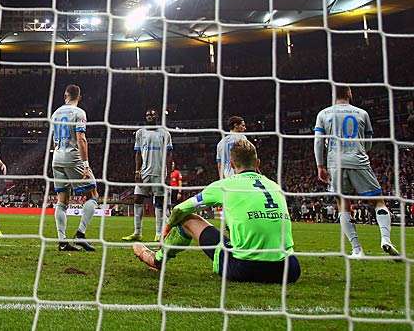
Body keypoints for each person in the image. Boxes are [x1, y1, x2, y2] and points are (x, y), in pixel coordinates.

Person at [133, 139, 300, 283]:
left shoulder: (225, 185)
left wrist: (168, 226)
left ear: (232, 164)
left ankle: (157, 259)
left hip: (245, 269)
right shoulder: (275, 186)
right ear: (258, 163)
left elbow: (179, 209)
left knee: (187, 218)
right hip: (289, 269)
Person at [314, 85, 399, 258]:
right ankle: (385, 239)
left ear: (333, 95)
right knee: (379, 201)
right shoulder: (362, 113)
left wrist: (320, 165)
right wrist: (359, 150)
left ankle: (357, 250)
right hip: (358, 160)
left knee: (343, 206)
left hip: (335, 163)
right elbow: (368, 143)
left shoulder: (323, 114)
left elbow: (317, 142)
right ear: (349, 93)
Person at [51, 84, 98, 252]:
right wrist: (85, 165)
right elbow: (81, 139)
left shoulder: (55, 113)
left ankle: (62, 241)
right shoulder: (79, 113)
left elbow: (54, 138)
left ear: (65, 95)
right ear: (80, 97)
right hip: (73, 158)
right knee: (92, 195)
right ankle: (80, 235)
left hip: (56, 157)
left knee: (62, 201)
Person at [122, 109, 173, 242]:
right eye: (147, 115)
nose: (149, 116)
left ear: (157, 116)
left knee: (159, 202)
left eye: (152, 114)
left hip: (159, 172)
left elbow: (169, 154)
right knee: (137, 199)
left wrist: (168, 174)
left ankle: (158, 233)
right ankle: (137, 232)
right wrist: (137, 171)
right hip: (144, 172)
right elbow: (138, 153)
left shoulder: (165, 133)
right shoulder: (140, 133)